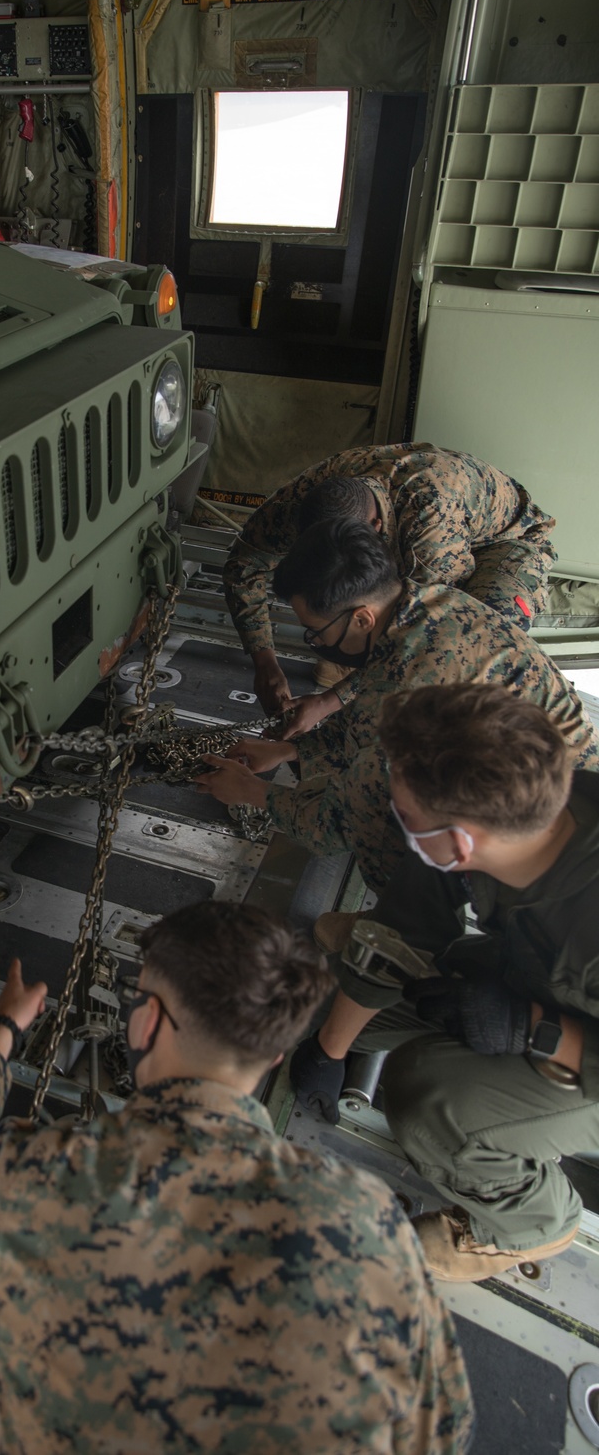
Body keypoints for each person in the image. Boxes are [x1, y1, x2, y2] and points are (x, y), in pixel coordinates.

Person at [0, 904, 474, 1455]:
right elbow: (441, 1428)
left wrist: (0, 1035)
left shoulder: (40, 1176)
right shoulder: (370, 1222)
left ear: (145, 1022)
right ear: (272, 1056)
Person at [288, 683, 599, 1282]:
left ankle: (531, 1223)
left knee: (429, 1097)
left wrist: (533, 1031)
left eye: (407, 819)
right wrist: (328, 1050)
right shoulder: (503, 810)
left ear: (459, 844)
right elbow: (404, 927)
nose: (401, 826)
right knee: (327, 1003)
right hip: (526, 979)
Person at [197, 518, 599, 889]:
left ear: (361, 619)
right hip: (569, 776)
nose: (316, 644)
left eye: (314, 632)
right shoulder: (424, 603)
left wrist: (252, 792)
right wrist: (288, 749)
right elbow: (369, 705)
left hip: (547, 821)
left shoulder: (406, 691)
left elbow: (339, 824)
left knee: (392, 823)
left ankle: (403, 922)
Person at [222, 441, 556, 732]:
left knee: (467, 649)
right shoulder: (299, 503)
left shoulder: (429, 530)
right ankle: (356, 653)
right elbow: (244, 567)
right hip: (431, 531)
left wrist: (331, 701)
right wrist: (264, 662)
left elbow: (423, 632)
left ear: (375, 526)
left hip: (507, 544)